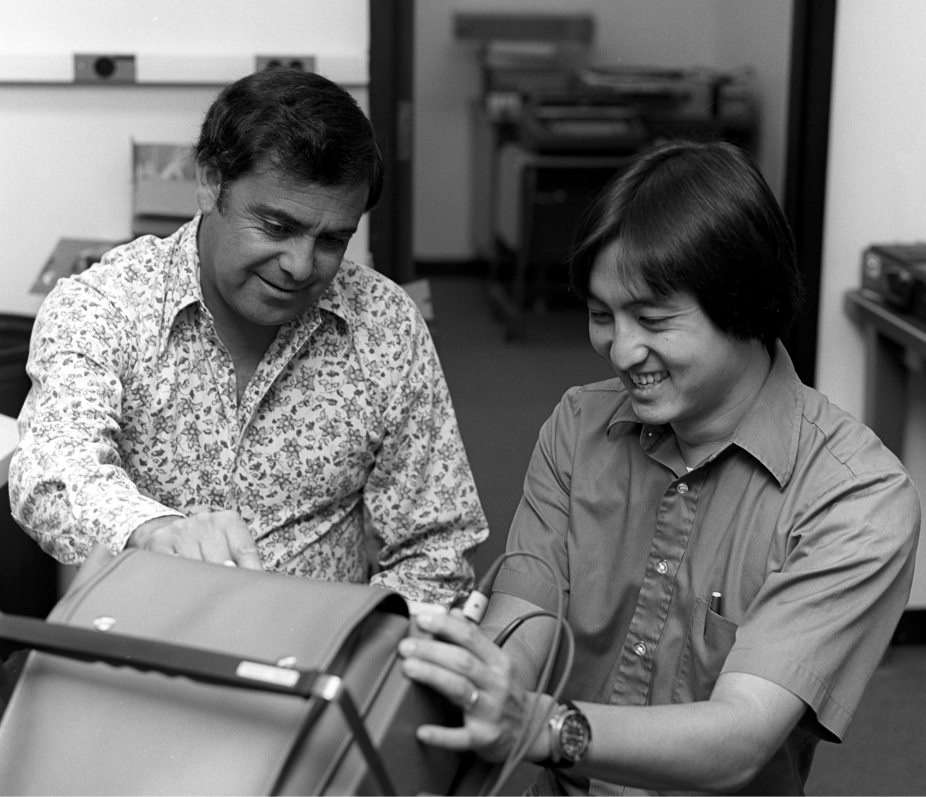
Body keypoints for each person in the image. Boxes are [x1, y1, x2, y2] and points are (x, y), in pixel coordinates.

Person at [397, 140, 921, 793]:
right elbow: (525, 610)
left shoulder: (855, 497)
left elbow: (740, 736)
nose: (620, 349)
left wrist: (537, 724)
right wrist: (485, 680)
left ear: (744, 300)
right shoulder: (576, 425)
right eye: (600, 315)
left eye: (652, 319)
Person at [9, 68, 488, 607]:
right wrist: (152, 529)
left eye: (332, 239)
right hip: (143, 648)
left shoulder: (384, 324)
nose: (300, 266)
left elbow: (437, 545)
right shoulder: (106, 305)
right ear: (211, 182)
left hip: (315, 659)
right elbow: (52, 469)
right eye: (277, 228)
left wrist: (366, 646)